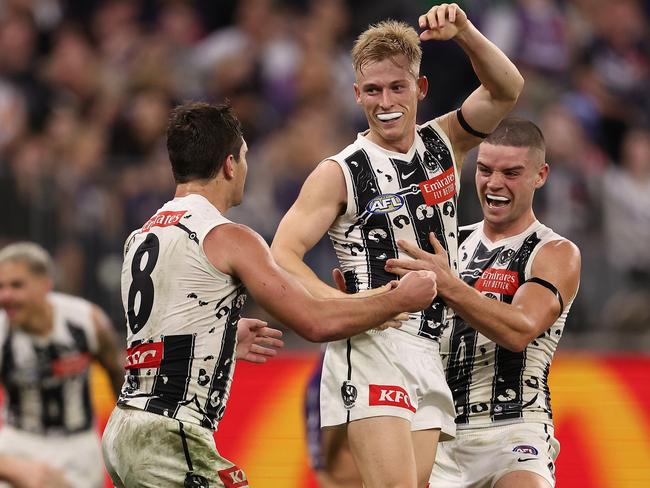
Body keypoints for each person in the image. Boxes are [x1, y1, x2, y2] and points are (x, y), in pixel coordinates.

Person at [101, 101, 438, 488]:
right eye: (244, 157)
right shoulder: (229, 237)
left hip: (125, 427)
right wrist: (397, 301)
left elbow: (158, 332)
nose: (246, 167)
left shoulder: (141, 235)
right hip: (168, 434)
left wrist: (219, 340)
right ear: (230, 164)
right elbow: (313, 320)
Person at [271, 3, 524, 486]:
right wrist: (349, 303)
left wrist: (466, 32)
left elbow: (508, 89)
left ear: (419, 88)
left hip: (433, 349)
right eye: (372, 89)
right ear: (356, 94)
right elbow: (281, 253)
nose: (385, 101)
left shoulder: (445, 140)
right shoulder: (338, 171)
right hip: (373, 346)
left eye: (396, 87)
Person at [384, 118, 581, 488]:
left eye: (511, 173)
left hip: (514, 432)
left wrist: (449, 285)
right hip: (436, 432)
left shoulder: (554, 252)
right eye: (485, 169)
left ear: (540, 175)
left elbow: (520, 328)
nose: (494, 183)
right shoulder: (448, 243)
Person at [0, 242, 125, 488]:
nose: (5, 296)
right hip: (18, 444)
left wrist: (127, 438)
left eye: (16, 285)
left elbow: (118, 376)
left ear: (45, 283)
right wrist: (9, 466)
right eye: (1, 287)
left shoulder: (88, 321)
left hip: (77, 450)